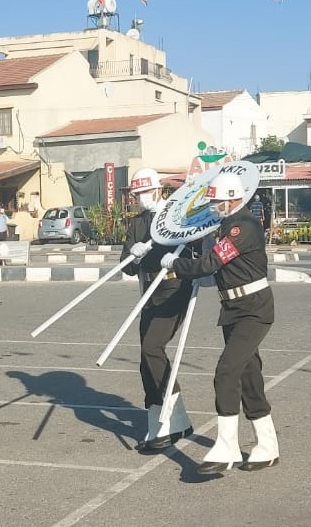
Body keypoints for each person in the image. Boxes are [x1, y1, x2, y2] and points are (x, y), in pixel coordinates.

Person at [163, 172, 279, 473]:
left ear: (232, 200)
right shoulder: (227, 225)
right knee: (249, 375)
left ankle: (226, 446)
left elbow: (210, 263)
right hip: (233, 308)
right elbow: (213, 265)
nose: (213, 206)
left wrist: (174, 264)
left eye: (217, 201)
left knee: (226, 372)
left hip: (254, 310)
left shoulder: (243, 226)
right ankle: (267, 444)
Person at [121, 167, 195, 454]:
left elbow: (194, 247)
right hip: (148, 292)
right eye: (136, 194)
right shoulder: (137, 225)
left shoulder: (176, 216)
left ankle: (171, 416)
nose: (141, 198)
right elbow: (126, 267)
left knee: (153, 348)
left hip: (174, 288)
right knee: (146, 357)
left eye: (145, 192)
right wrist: (135, 255)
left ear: (159, 190)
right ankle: (166, 419)